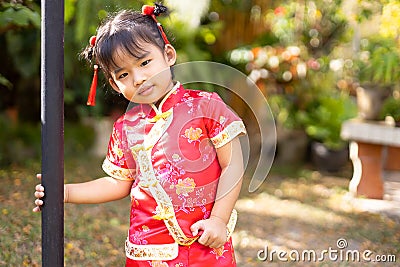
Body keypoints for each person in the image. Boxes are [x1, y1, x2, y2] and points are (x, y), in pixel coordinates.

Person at [33, 3, 246, 266]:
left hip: (204, 242)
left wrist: (218, 220)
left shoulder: (205, 106)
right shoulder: (126, 126)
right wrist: (63, 193)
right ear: (113, 83)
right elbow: (119, 183)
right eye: (123, 74)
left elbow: (233, 164)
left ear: (168, 54)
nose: (138, 78)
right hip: (147, 249)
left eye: (145, 62)